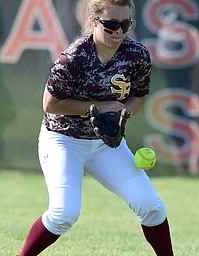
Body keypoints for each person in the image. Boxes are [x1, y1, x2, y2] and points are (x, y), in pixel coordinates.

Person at [18, 0, 174, 255]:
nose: (118, 33)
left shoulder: (136, 54)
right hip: (63, 141)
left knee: (151, 205)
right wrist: (100, 107)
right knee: (64, 213)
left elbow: (138, 96)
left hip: (105, 145)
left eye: (125, 25)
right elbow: (50, 104)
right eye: (111, 25)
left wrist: (125, 112)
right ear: (93, 21)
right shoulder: (75, 56)